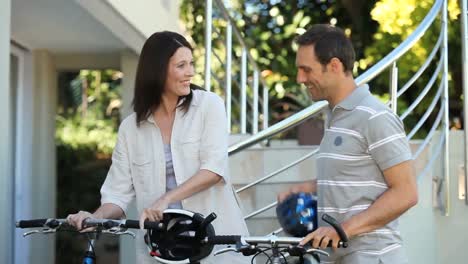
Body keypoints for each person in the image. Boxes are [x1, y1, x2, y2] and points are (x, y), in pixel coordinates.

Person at [67, 31, 249, 264]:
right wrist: (93, 218)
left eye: (191, 64)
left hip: (215, 246)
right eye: (181, 65)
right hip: (161, 250)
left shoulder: (209, 105)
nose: (190, 72)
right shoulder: (130, 129)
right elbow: (117, 194)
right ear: (158, 70)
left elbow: (213, 170)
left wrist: (164, 200)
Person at [277, 24, 418, 263]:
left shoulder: (374, 116)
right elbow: (355, 177)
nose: (300, 79)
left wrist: (341, 230)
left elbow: (406, 192)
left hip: (372, 257)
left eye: (306, 70)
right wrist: (308, 187)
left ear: (334, 65)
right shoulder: (335, 116)